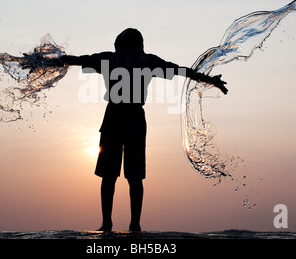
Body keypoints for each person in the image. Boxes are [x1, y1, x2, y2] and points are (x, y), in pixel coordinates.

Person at [24, 28, 228, 232]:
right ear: (140, 44)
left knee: (108, 176)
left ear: (118, 44)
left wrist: (39, 61)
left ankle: (106, 224)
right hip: (135, 118)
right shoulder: (147, 60)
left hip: (113, 115)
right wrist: (210, 80)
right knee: (135, 177)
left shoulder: (109, 59)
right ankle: (135, 225)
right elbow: (180, 70)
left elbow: (73, 60)